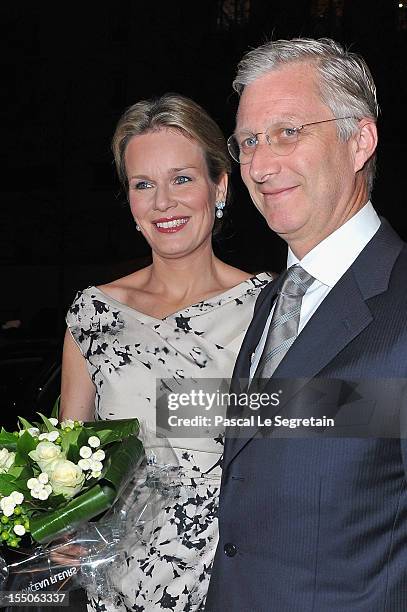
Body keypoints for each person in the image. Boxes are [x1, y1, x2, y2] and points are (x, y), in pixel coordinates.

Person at [206, 38, 407, 611]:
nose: (261, 165)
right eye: (248, 141)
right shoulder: (272, 300)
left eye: (288, 132)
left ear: (359, 140)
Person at [60, 93, 272, 612]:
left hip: (237, 581)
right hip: (119, 585)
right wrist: (62, 528)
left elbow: (313, 434)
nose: (163, 203)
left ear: (219, 186)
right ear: (129, 201)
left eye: (182, 179)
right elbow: (66, 467)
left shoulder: (272, 309)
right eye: (143, 185)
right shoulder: (94, 317)